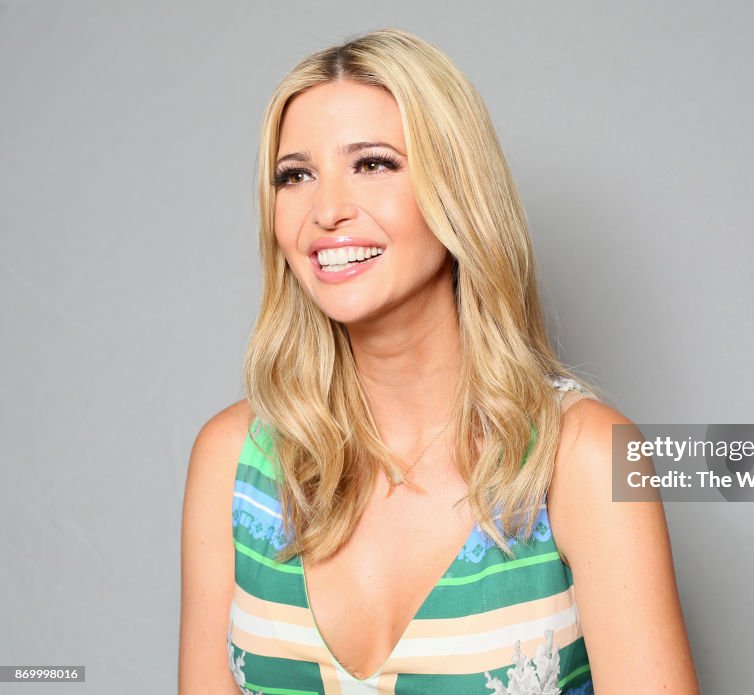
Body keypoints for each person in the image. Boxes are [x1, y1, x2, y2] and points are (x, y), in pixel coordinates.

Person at [179, 27, 700, 695]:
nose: (327, 209)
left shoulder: (584, 457)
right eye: (295, 175)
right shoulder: (231, 462)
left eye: (373, 163)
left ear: (456, 189)